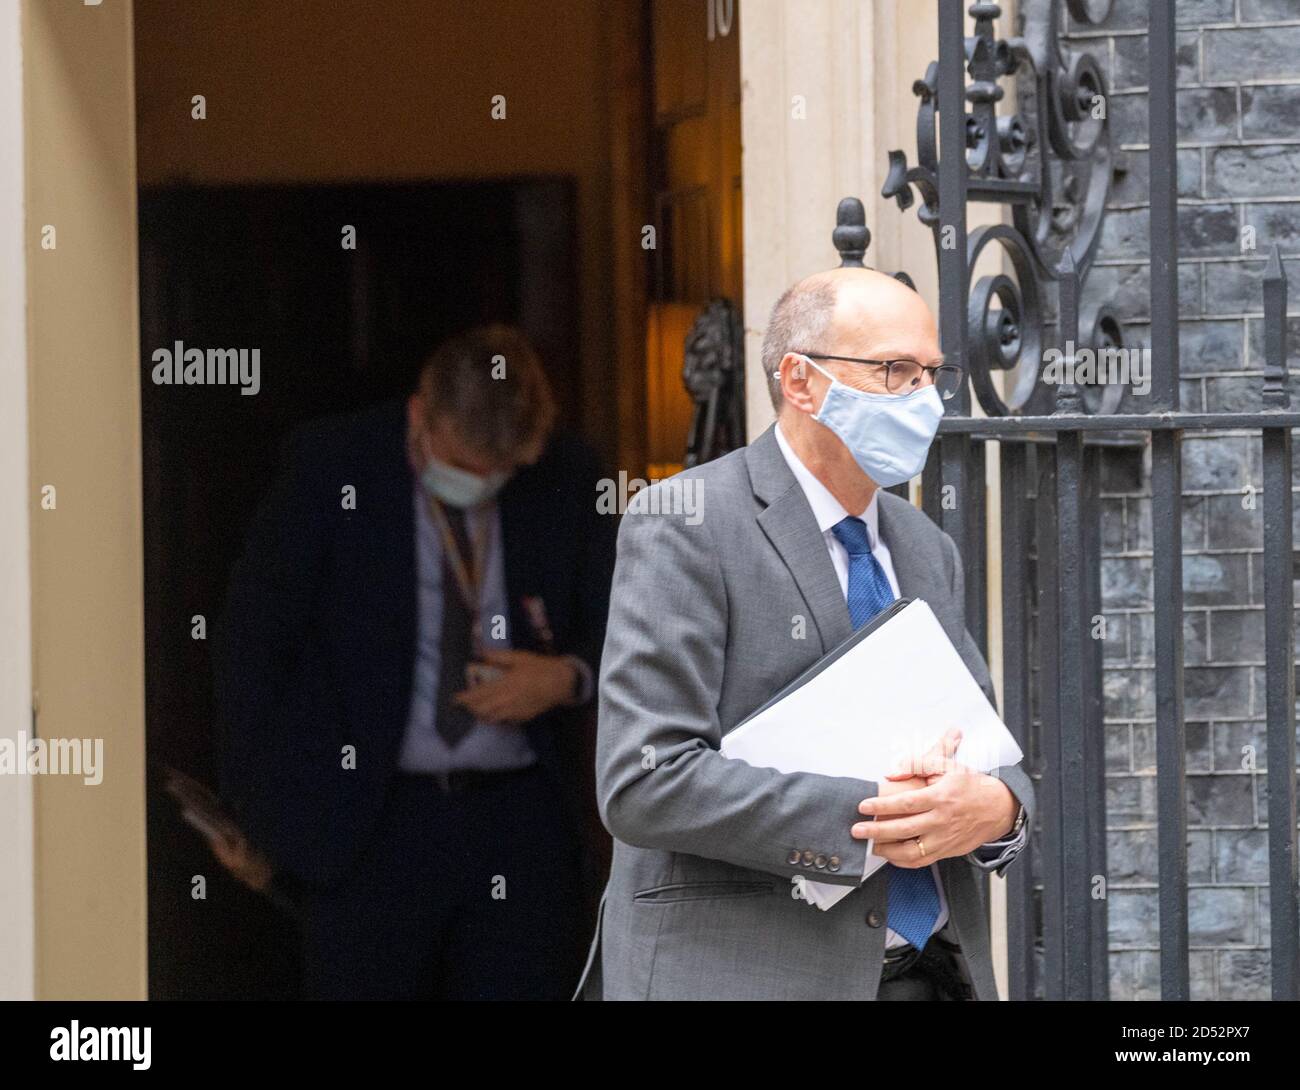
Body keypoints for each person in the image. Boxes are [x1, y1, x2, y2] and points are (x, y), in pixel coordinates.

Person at [578, 267, 1033, 1001]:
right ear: (800, 381)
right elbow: (644, 781)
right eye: (893, 370)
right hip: (749, 976)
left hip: (937, 974)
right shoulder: (686, 522)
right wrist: (876, 818)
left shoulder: (924, 546)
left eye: (931, 373)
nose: (923, 397)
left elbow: (987, 750)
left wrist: (998, 810)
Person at [215, 323, 616, 999]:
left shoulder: (568, 476)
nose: (483, 485)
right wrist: (254, 814)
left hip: (517, 821)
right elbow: (254, 647)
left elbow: (624, 626)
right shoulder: (330, 466)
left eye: (502, 473)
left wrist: (566, 678)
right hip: (369, 821)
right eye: (465, 467)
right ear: (419, 416)